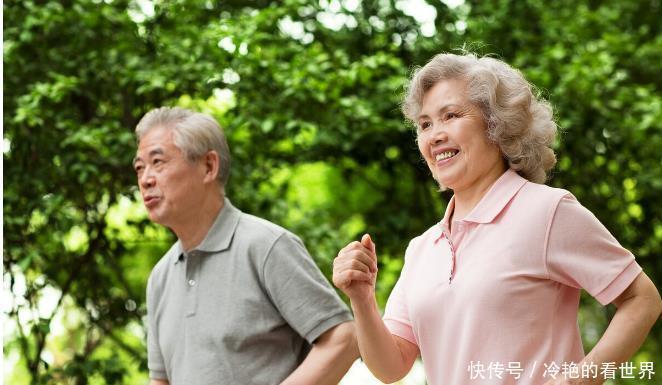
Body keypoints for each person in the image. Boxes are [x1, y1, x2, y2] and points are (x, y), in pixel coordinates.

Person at [332, 53, 662, 385]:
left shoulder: (547, 210)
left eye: (451, 116)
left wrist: (580, 379)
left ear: (496, 124)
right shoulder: (422, 248)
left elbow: (642, 299)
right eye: (425, 124)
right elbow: (391, 367)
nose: (434, 135)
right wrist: (362, 299)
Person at [134, 107, 357, 385]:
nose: (145, 179)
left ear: (208, 166)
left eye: (158, 162)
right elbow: (161, 380)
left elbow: (344, 339)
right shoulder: (159, 277)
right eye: (140, 167)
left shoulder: (266, 246)